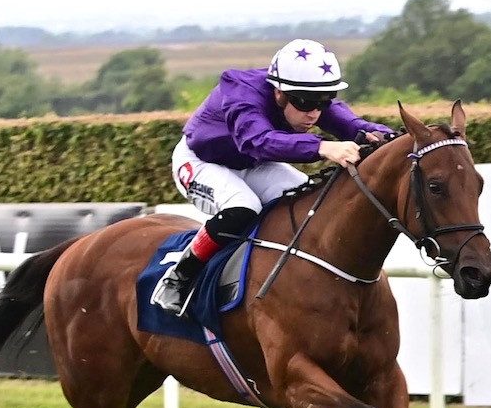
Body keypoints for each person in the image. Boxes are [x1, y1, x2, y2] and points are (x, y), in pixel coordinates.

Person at [152, 39, 392, 315]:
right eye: (305, 103)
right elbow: (257, 140)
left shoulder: (307, 98)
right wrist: (323, 147)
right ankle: (179, 276)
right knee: (243, 207)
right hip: (202, 160)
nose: (314, 112)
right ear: (279, 93)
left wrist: (394, 137)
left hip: (253, 162)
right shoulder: (241, 91)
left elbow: (355, 126)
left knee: (307, 201)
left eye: (323, 102)